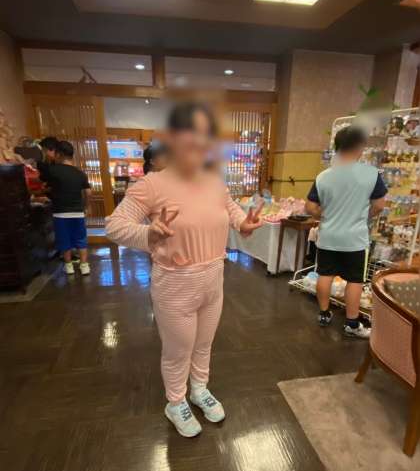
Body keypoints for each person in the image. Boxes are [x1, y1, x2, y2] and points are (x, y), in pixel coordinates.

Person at [106, 101, 263, 437]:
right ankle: (175, 401)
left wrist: (244, 224)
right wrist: (148, 234)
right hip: (175, 284)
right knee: (178, 351)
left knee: (204, 344)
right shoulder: (152, 184)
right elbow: (114, 226)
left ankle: (199, 389)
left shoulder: (214, 181)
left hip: (213, 280)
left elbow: (231, 211)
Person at [305, 125, 387, 338]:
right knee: (354, 280)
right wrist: (364, 216)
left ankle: (324, 314)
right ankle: (352, 323)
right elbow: (379, 205)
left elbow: (310, 207)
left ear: (337, 147)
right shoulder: (371, 174)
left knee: (325, 275)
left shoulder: (323, 176)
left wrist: (324, 215)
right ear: (360, 147)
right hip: (355, 238)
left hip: (328, 236)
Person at [40, 140, 91, 276]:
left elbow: (44, 186)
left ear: (59, 154)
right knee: (81, 239)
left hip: (60, 213)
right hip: (77, 213)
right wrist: (86, 207)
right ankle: (84, 266)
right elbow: (88, 192)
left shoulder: (52, 170)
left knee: (64, 240)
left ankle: (69, 267)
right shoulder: (80, 173)